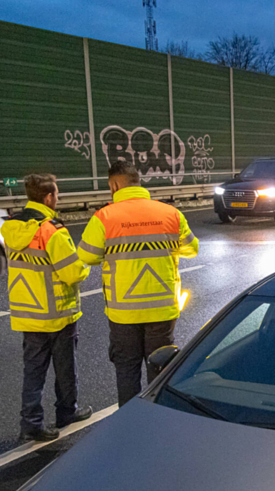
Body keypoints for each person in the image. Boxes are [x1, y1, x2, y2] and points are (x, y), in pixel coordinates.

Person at [78, 161, 199, 406]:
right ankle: (159, 422)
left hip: (124, 312)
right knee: (161, 369)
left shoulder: (104, 217)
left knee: (127, 370)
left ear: (114, 185)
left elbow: (86, 256)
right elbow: (192, 249)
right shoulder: (170, 213)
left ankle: (129, 425)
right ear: (137, 181)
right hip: (162, 309)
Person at [1, 173, 92, 442]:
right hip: (57, 314)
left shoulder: (11, 229)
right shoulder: (51, 231)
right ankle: (67, 412)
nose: (58, 198)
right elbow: (72, 272)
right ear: (48, 197)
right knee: (65, 368)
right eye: (57, 194)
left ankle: (30, 422)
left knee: (33, 371)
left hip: (27, 312)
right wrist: (85, 264)